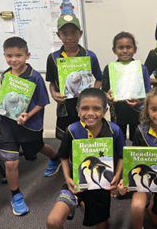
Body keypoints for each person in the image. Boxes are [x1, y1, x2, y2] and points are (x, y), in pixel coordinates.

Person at [0, 37, 60, 216]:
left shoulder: (35, 76)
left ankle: (56, 158)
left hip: (29, 125)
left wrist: (28, 114)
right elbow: (5, 98)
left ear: (27, 55)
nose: (14, 59)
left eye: (18, 55)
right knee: (11, 162)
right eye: (9, 55)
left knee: (39, 147)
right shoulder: (5, 75)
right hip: (7, 124)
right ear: (4, 55)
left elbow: (43, 101)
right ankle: (16, 196)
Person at [46, 88, 125, 229]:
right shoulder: (72, 130)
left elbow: (121, 157)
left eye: (96, 108)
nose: (90, 113)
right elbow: (63, 156)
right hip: (75, 185)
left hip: (101, 187)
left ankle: (85, 205)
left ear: (105, 111)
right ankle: (80, 201)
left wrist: (117, 176)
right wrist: (68, 179)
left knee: (102, 226)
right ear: (78, 110)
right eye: (85, 108)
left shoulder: (115, 131)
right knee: (53, 222)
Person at [117, 88, 157, 229]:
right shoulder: (140, 130)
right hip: (143, 177)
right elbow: (132, 158)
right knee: (136, 206)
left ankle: (152, 201)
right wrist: (124, 179)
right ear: (147, 109)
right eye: (154, 109)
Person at [46, 15, 102, 140]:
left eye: (74, 32)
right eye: (64, 33)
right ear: (58, 35)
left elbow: (99, 78)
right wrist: (54, 94)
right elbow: (52, 82)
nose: (69, 37)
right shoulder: (53, 58)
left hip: (87, 105)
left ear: (80, 33)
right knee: (66, 137)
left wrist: (93, 93)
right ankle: (66, 158)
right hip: (65, 106)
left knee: (89, 133)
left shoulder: (90, 56)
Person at [102, 31, 152, 141]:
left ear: (135, 49)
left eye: (128, 47)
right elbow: (104, 91)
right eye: (121, 47)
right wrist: (107, 97)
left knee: (138, 140)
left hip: (138, 112)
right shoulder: (109, 69)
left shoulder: (141, 69)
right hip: (118, 112)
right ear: (114, 50)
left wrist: (140, 102)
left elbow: (148, 93)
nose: (125, 51)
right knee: (118, 140)